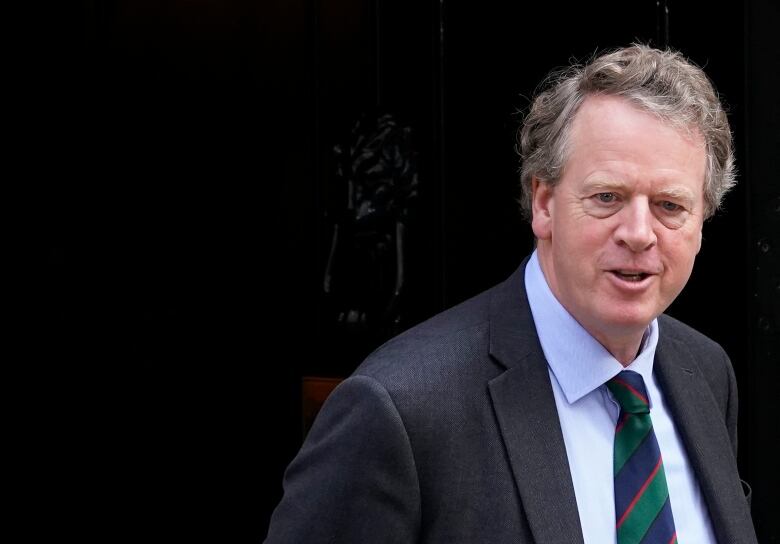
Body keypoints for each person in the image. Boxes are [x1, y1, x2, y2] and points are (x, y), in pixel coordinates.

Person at [264, 44, 757, 543]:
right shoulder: (401, 410)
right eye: (607, 197)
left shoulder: (707, 374)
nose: (638, 232)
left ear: (702, 222)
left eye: (670, 205)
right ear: (544, 205)